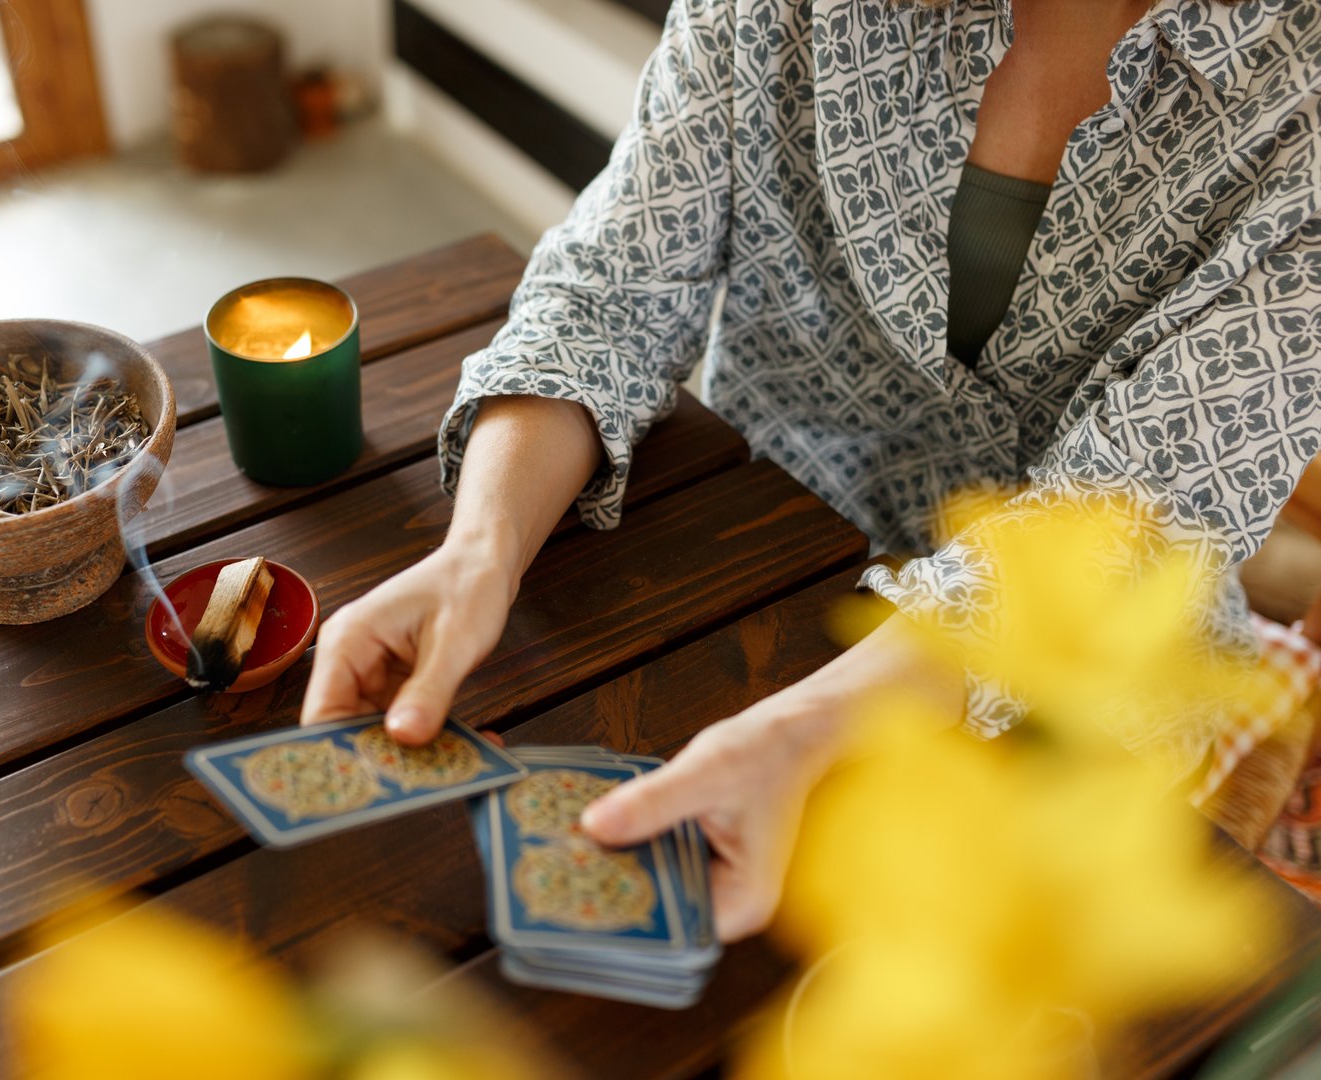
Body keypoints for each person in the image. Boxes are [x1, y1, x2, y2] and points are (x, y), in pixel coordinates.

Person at [303, 0, 1321, 941]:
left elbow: (1122, 529)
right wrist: (481, 548)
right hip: (750, 565)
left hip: (1063, 703)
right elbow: (613, 287)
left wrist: (797, 732)